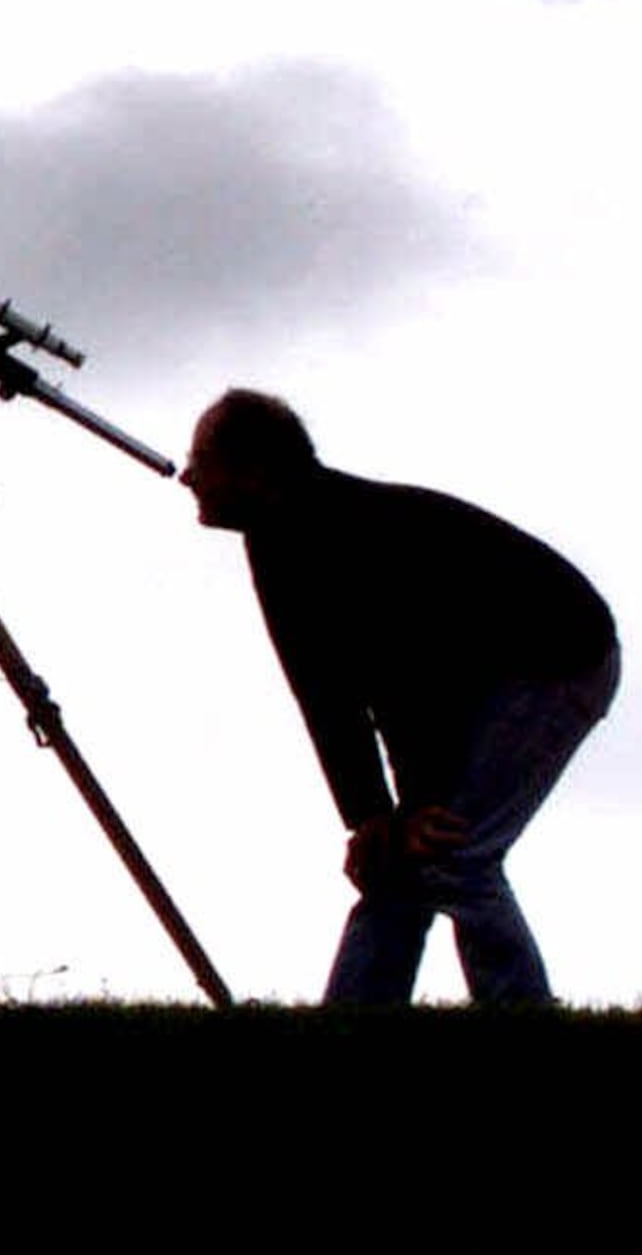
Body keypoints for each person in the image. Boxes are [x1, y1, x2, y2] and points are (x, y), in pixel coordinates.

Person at [182, 388, 617, 1006]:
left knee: (453, 852)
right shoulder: (276, 540)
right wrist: (372, 821)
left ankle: (526, 1033)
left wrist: (416, 808)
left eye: (203, 459)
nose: (189, 476)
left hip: (555, 657)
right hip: (472, 679)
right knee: (402, 859)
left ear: (254, 469)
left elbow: (417, 680)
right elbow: (324, 695)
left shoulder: (353, 535)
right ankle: (355, 1020)